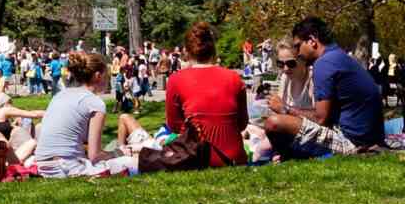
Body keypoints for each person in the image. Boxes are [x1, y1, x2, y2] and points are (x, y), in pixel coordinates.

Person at [260, 18, 383, 157]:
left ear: (312, 40)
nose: (298, 52)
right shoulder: (339, 56)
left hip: (353, 143)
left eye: (298, 46)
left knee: (273, 124)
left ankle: (290, 156)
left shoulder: (324, 63)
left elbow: (320, 119)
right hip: (369, 138)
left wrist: (285, 109)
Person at [33, 52, 137, 178]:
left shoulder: (60, 95)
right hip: (66, 168)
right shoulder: (95, 103)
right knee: (136, 162)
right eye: (107, 75)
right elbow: (95, 156)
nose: (108, 80)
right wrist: (118, 153)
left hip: (42, 165)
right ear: (98, 76)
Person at [163, 22, 248, 168]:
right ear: (213, 50)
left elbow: (174, 126)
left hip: (195, 157)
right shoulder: (234, 78)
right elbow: (242, 124)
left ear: (187, 52)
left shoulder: (176, 80)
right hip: (233, 158)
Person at [0, 92, 45, 165]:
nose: (12, 106)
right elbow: (33, 114)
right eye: (11, 103)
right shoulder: (5, 110)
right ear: (5, 103)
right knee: (33, 143)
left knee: (29, 149)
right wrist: (48, 112)